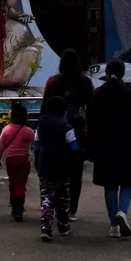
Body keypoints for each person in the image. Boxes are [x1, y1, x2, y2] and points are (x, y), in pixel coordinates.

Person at [87, 57, 131, 238]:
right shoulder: (129, 94)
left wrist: (90, 147)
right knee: (127, 181)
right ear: (123, 73)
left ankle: (114, 226)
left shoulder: (97, 94)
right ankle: (122, 211)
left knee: (110, 184)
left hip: (103, 145)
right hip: (126, 144)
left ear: (107, 73)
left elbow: (91, 122)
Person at [42, 48, 94, 220]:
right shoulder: (86, 82)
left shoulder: (53, 82)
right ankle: (72, 210)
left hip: (55, 130)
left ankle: (57, 206)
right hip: (77, 131)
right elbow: (92, 109)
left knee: (56, 170)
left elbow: (44, 107)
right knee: (76, 173)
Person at [34, 95, 79, 241]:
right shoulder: (66, 126)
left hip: (45, 164)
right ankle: (63, 226)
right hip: (62, 166)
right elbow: (74, 147)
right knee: (62, 196)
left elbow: (36, 145)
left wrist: (38, 162)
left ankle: (46, 227)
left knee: (46, 195)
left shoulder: (41, 125)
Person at [0, 101, 35, 221]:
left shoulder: (7, 130)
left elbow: (0, 147)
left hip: (10, 160)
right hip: (24, 161)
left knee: (13, 182)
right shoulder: (28, 131)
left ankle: (14, 205)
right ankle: (19, 208)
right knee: (21, 183)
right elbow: (36, 145)